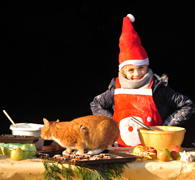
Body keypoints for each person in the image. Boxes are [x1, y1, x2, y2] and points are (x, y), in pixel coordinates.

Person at [90, 14, 195, 147]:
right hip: (119, 151)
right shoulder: (116, 88)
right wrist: (112, 122)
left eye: (141, 68)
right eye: (131, 70)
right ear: (122, 71)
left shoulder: (158, 88)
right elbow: (95, 104)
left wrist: (165, 128)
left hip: (155, 150)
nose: (137, 73)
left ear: (147, 66)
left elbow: (187, 105)